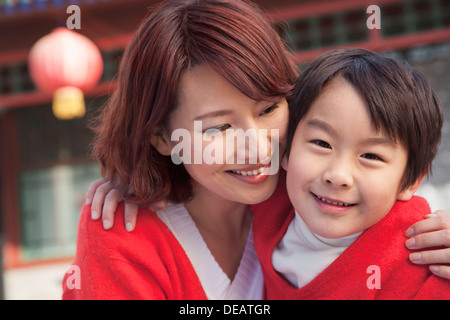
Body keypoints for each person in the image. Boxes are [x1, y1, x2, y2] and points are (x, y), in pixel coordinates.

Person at [63, 0, 297, 299]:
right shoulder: (122, 232)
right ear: (161, 137)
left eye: (269, 109)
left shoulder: (312, 198)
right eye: (218, 128)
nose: (259, 148)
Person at [252, 48, 450, 299]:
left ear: (410, 182)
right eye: (322, 143)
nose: (338, 175)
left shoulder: (426, 266)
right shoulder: (266, 197)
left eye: (371, 156)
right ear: (286, 151)